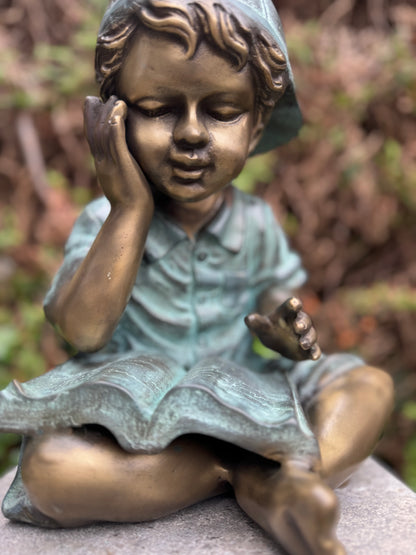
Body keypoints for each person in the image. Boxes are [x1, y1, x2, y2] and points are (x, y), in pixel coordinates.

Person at [0, 1, 393, 553]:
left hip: (246, 389)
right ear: (116, 119)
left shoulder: (254, 221)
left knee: (368, 385)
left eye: (223, 111)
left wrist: (284, 330)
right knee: (51, 470)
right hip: (138, 419)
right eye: (159, 108)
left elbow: (277, 296)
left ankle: (292, 469)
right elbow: (83, 331)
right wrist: (130, 210)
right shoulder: (106, 221)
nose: (190, 133)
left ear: (256, 125)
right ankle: (243, 474)